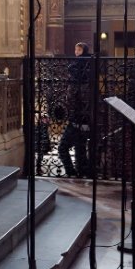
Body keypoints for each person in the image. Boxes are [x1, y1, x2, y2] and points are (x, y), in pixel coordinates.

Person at [58, 41, 93, 178]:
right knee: (80, 150)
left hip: (77, 122)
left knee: (64, 148)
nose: (76, 52)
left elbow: (74, 102)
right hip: (82, 122)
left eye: (79, 50)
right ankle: (80, 173)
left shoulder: (79, 81)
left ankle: (73, 172)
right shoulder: (86, 77)